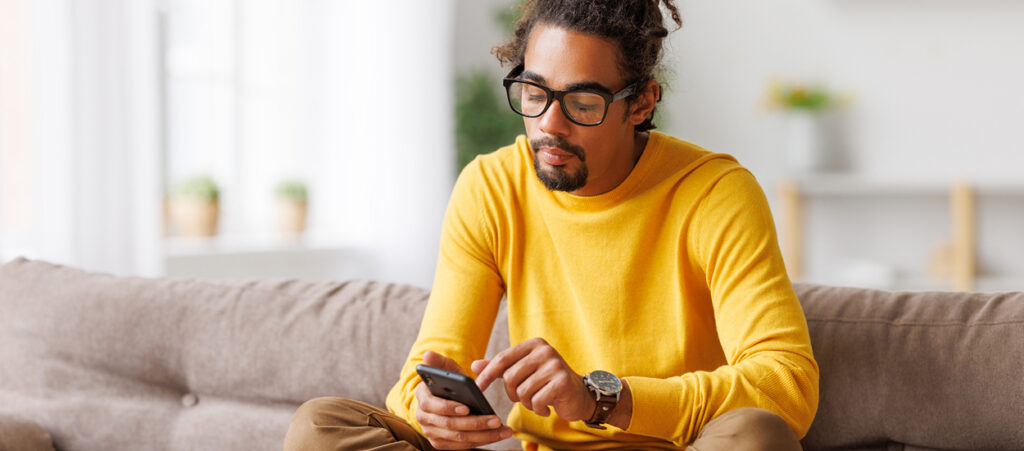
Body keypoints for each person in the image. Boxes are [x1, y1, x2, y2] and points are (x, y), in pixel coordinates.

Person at [284, 0, 818, 449]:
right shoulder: (492, 187)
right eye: (534, 93)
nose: (548, 125)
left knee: (757, 434)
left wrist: (600, 398)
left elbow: (786, 386)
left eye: (582, 103)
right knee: (321, 425)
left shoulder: (715, 193)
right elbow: (424, 371)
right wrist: (427, 408)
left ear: (641, 103)